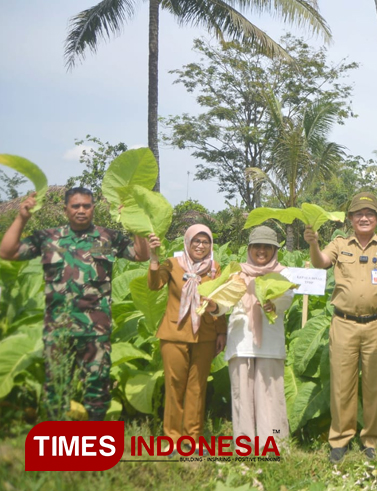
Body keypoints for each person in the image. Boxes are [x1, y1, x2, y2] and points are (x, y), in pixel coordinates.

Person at [0, 187, 149, 420]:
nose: (81, 210)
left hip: (95, 329)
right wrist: (22, 217)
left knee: (97, 386)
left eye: (86, 206)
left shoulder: (108, 237)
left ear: (93, 208)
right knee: (56, 387)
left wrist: (135, 224)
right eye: (76, 206)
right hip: (58, 328)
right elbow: (7, 252)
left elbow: (141, 255)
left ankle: (95, 443)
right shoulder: (48, 237)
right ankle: (56, 443)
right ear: (66, 209)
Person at [304, 192, 377, 463]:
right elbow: (321, 262)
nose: (364, 218)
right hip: (343, 323)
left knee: (375, 385)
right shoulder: (339, 243)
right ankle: (340, 440)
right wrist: (313, 244)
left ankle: (372, 442)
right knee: (342, 385)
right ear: (351, 219)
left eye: (369, 214)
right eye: (358, 214)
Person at [147, 224, 226, 451]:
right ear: (187, 242)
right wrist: (153, 258)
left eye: (205, 242)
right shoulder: (172, 265)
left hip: (205, 334)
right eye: (196, 241)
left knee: (197, 388)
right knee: (174, 386)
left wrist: (221, 330)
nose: (200, 246)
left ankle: (192, 439)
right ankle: (171, 439)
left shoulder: (214, 269)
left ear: (210, 245)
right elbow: (154, 285)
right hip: (175, 333)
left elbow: (220, 300)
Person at [225, 226, 294, 444]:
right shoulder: (235, 274)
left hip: (270, 344)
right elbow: (221, 303)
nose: (262, 251)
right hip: (240, 342)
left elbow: (286, 300)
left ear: (274, 250)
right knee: (241, 396)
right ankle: (244, 445)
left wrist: (273, 303)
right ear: (249, 249)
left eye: (267, 247)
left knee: (271, 396)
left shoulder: (283, 274)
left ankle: (273, 444)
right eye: (257, 246)